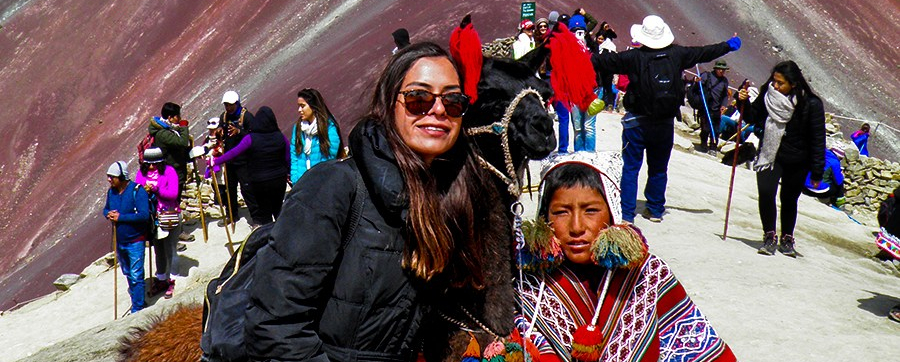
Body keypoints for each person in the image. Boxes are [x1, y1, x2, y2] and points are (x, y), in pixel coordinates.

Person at [245, 42, 495, 361]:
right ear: (389, 103)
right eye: (419, 98)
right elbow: (273, 328)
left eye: (453, 100)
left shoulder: (453, 198)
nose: (439, 110)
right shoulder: (334, 187)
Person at [516, 152, 736, 361]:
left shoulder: (647, 275)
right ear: (544, 218)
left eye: (590, 210)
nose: (576, 226)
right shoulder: (529, 282)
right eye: (561, 212)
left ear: (612, 214)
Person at [591, 15, 741, 223]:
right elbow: (705, 52)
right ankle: (655, 209)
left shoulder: (634, 57)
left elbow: (601, 62)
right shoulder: (678, 54)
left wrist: (574, 51)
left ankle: (626, 214)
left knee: (631, 167)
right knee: (659, 168)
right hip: (664, 122)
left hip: (637, 122)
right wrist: (729, 45)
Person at [737, 60, 826, 257]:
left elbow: (818, 139)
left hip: (798, 159)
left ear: (793, 83)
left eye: (780, 83)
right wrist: (742, 101)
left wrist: (817, 170)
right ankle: (769, 236)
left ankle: (787, 238)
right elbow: (753, 117)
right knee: (766, 192)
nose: (775, 86)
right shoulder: (768, 95)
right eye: (774, 81)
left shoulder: (811, 104)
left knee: (789, 199)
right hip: (771, 154)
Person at [212, 106, 289, 226]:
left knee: (264, 213)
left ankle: (267, 236)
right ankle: (282, 235)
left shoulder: (251, 138)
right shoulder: (280, 136)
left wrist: (216, 161)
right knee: (278, 209)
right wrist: (289, 173)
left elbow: (233, 153)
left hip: (260, 181)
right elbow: (288, 157)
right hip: (279, 179)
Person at [103, 161, 151, 314]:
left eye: (112, 177)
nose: (109, 180)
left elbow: (144, 215)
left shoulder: (138, 191)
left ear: (122, 177)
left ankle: (138, 307)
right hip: (120, 240)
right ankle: (136, 300)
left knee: (136, 274)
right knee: (128, 273)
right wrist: (108, 214)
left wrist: (121, 217)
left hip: (136, 239)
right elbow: (106, 209)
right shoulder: (112, 192)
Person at [135, 148, 181, 299]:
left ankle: (173, 279)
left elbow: (173, 193)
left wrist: (156, 189)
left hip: (168, 214)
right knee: (158, 249)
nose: (151, 167)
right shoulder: (141, 174)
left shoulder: (169, 172)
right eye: (148, 164)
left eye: (154, 164)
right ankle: (161, 278)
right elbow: (137, 190)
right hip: (152, 217)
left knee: (171, 248)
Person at [149, 102, 193, 241]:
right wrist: (184, 127)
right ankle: (172, 236)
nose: (179, 118)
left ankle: (176, 230)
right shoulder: (163, 134)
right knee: (170, 204)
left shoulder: (168, 129)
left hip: (175, 170)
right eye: (177, 116)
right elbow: (182, 142)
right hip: (170, 174)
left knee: (175, 202)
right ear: (170, 117)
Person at [217, 90, 256, 225]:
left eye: (230, 105)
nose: (228, 108)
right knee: (230, 188)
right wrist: (219, 133)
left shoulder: (247, 117)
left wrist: (239, 132)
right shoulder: (224, 117)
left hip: (244, 160)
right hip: (229, 159)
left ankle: (256, 217)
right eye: (226, 105)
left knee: (247, 188)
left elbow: (254, 136)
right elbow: (221, 134)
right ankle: (232, 215)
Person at [290, 88, 344, 184]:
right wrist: (296, 180)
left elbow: (330, 156)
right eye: (298, 106)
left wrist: (318, 180)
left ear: (313, 106)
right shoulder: (298, 128)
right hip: (302, 183)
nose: (299, 110)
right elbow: (294, 155)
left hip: (324, 182)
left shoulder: (328, 127)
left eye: (302, 106)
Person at [695, 61, 731, 154]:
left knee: (715, 130)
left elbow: (724, 95)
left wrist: (723, 105)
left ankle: (713, 147)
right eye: (720, 69)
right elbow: (698, 88)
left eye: (723, 70)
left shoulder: (724, 81)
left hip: (716, 109)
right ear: (715, 69)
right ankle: (703, 144)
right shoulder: (707, 76)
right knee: (705, 128)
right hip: (705, 107)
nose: (722, 71)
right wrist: (696, 82)